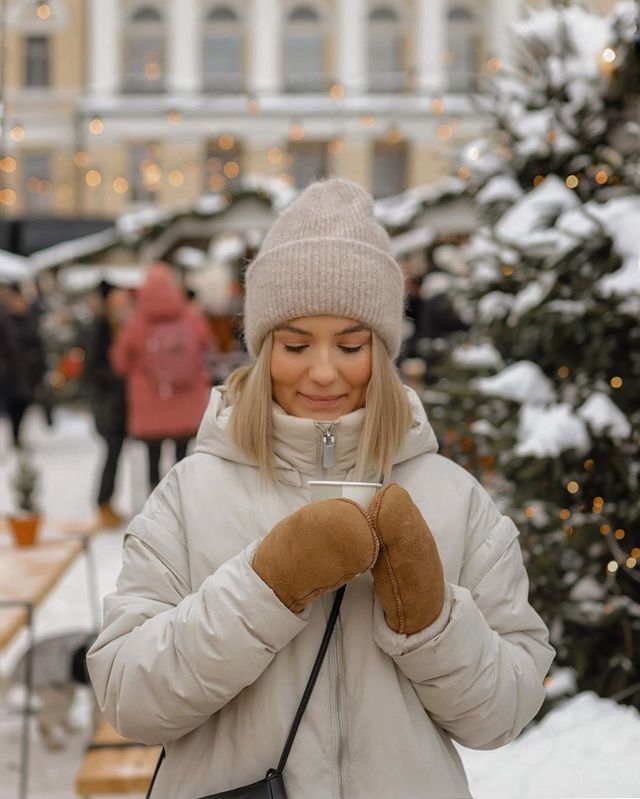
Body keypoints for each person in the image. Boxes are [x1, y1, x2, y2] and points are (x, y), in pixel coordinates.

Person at [88, 180, 554, 799]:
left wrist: (432, 620)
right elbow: (131, 699)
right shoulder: (189, 493)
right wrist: (264, 585)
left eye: (352, 344)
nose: (325, 371)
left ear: (383, 350)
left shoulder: (455, 498)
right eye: (296, 344)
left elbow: (504, 714)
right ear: (262, 348)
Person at [110, 263, 212, 490]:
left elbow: (120, 362)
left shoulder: (137, 323)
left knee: (152, 457)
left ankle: (154, 499)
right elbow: (206, 345)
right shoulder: (191, 318)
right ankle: (183, 498)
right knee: (182, 457)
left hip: (150, 406)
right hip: (186, 404)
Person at [83, 281, 131, 528]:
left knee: (116, 453)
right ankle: (103, 503)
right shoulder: (101, 329)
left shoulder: (124, 327)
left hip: (120, 406)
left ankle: (107, 503)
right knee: (112, 453)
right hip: (107, 406)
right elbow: (92, 368)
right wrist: (118, 376)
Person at [2, 284, 46, 447]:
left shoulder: (30, 319)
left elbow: (38, 344)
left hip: (28, 371)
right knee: (14, 406)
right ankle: (15, 436)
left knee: (24, 405)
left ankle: (18, 436)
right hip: (12, 372)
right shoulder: (5, 321)